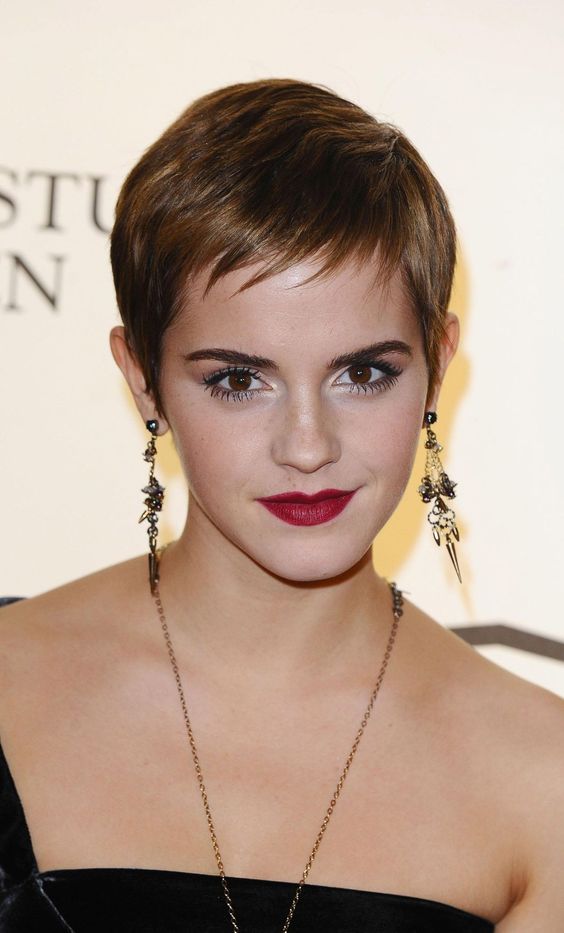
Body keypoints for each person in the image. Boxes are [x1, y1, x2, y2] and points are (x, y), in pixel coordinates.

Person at [0, 78, 563, 933]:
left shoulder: (541, 777)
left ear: (437, 364)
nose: (307, 446)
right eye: (238, 379)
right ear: (143, 377)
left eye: (364, 372)